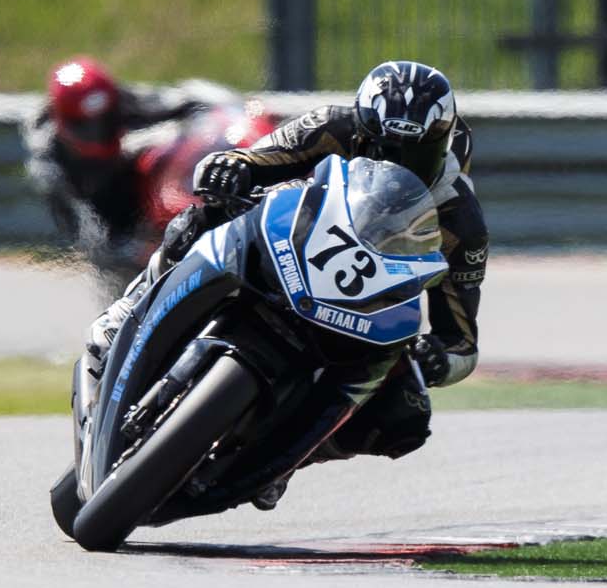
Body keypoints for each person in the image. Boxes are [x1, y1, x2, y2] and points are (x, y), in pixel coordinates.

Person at [88, 59, 488, 513]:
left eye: (413, 154)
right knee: (201, 217)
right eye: (382, 149)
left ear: (443, 142)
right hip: (287, 250)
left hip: (356, 318)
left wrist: (438, 360)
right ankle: (133, 306)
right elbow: (251, 160)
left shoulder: (461, 220)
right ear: (363, 131)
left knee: (404, 416)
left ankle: (291, 459)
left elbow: (462, 342)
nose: (394, 163)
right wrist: (229, 169)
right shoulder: (331, 126)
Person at [20, 56, 251, 247]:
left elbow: (183, 100)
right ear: (63, 123)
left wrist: (223, 115)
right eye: (87, 127)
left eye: (107, 120)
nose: (99, 132)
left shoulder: (123, 101)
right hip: (102, 221)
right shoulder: (49, 163)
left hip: (129, 189)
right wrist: (122, 249)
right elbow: (80, 230)